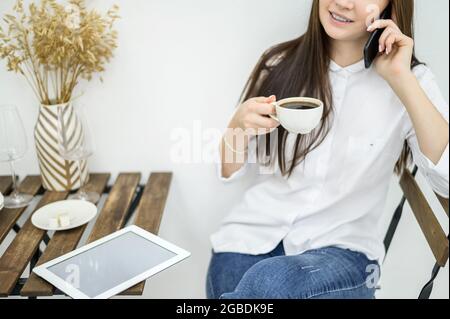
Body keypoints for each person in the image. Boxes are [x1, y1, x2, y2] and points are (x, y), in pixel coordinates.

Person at [207, 0, 449, 299]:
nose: (343, 3)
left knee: (267, 283)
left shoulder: (412, 81)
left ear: (392, 8)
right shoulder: (279, 63)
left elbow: (447, 180)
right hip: (250, 238)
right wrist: (238, 127)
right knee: (249, 283)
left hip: (344, 253)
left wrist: (402, 78)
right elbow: (229, 172)